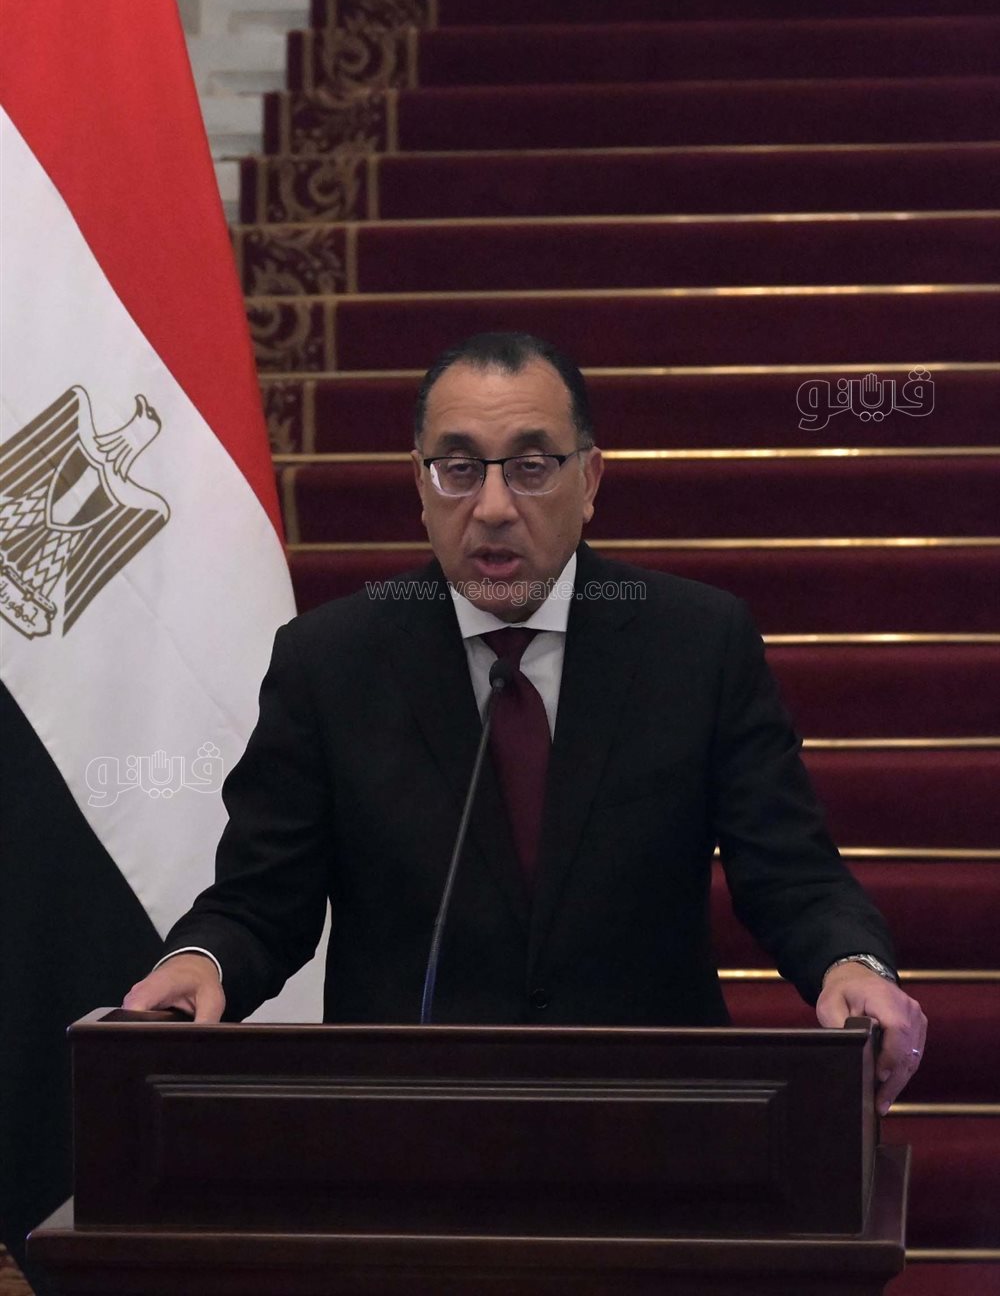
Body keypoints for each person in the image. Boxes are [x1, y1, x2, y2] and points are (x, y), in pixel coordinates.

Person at [125, 331, 926, 1114]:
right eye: (459, 469)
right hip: (409, 1123)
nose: (494, 507)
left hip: (650, 1118)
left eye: (531, 467)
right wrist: (202, 962)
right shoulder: (330, 662)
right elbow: (263, 899)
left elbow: (790, 874)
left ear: (590, 480)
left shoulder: (696, 645)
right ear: (419, 483)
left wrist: (851, 963)